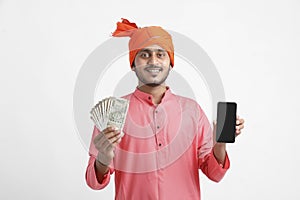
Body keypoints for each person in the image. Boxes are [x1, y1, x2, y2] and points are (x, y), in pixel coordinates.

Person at [85, 18, 245, 200]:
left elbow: (215, 174)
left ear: (170, 62)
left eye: (160, 54)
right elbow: (93, 182)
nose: (153, 61)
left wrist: (220, 142)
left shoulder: (192, 111)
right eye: (144, 54)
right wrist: (104, 158)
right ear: (132, 63)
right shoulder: (113, 111)